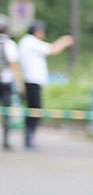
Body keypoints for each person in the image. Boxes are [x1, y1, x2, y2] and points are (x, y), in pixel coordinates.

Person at [17, 20, 74, 150]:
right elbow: (53, 49)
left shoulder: (25, 42)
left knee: (32, 110)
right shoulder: (31, 42)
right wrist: (64, 41)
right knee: (35, 111)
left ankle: (28, 137)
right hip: (32, 81)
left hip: (29, 80)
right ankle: (29, 139)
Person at [0, 14, 24, 150]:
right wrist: (19, 83)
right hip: (5, 82)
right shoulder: (10, 44)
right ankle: (6, 140)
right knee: (6, 112)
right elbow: (14, 65)